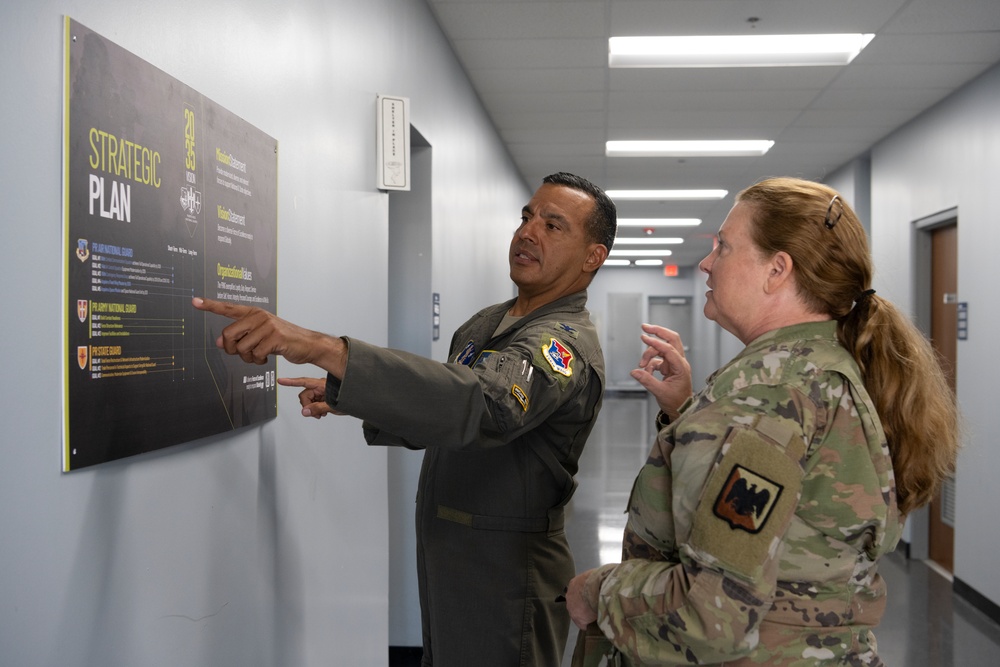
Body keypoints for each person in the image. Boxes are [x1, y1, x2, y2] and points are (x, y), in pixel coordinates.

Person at [194, 172, 617, 667]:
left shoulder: (560, 343)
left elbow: (483, 407)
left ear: (593, 257)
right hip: (452, 554)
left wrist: (325, 349)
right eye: (526, 217)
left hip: (506, 571)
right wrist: (348, 393)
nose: (528, 233)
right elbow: (444, 412)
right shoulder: (487, 323)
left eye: (553, 225)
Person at [565, 176, 959, 666]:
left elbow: (712, 617)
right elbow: (797, 505)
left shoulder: (766, 394)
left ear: (777, 270)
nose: (707, 262)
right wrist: (689, 412)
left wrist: (597, 591)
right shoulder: (827, 366)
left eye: (724, 247)